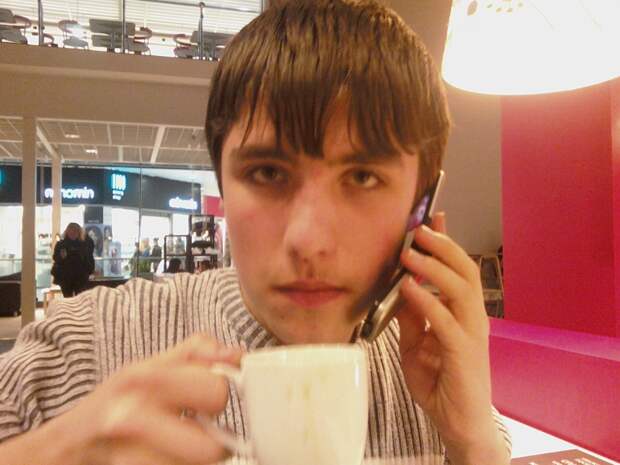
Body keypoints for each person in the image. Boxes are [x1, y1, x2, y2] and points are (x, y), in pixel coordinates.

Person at [0, 2, 511, 464]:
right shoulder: (87, 344)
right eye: (267, 173)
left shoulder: (437, 374)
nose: (309, 241)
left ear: (422, 209)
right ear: (223, 183)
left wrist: (474, 447)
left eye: (362, 177)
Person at [50, 222, 95, 298]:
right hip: (66, 276)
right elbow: (56, 258)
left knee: (80, 298)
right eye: (71, 231)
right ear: (67, 232)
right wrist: (61, 257)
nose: (73, 233)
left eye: (75, 231)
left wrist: (90, 270)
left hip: (80, 276)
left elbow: (88, 257)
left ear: (78, 233)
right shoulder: (61, 244)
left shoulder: (84, 244)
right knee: (68, 298)